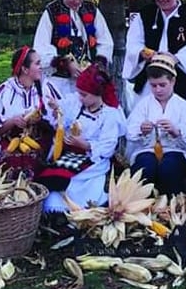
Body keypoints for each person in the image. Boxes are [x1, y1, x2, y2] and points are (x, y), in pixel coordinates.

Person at [35, 64, 125, 226]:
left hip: (93, 158)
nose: (80, 97)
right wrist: (56, 109)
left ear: (97, 94)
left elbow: (108, 146)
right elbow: (64, 111)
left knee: (73, 180)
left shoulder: (109, 115)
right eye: (79, 93)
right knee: (51, 176)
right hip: (71, 155)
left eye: (84, 95)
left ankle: (74, 209)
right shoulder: (78, 104)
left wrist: (85, 145)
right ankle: (54, 209)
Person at [33, 0, 113, 123]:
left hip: (88, 84)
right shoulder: (52, 11)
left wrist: (96, 66)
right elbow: (40, 48)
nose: (77, 1)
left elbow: (105, 41)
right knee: (58, 120)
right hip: (59, 82)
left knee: (85, 123)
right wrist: (64, 62)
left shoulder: (91, 9)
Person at [125, 54, 186, 196]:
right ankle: (144, 207)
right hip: (147, 150)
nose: (158, 90)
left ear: (173, 82)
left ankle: (170, 206)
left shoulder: (183, 106)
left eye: (162, 85)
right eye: (153, 85)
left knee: (169, 168)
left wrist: (177, 132)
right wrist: (142, 130)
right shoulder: (143, 104)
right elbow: (130, 132)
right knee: (145, 168)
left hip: (176, 150)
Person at [0, 46, 62, 176]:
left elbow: (61, 119)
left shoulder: (46, 87)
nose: (41, 67)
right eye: (37, 63)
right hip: (13, 141)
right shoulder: (5, 91)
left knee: (36, 163)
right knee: (10, 166)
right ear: (25, 69)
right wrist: (12, 121)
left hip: (41, 141)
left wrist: (55, 110)